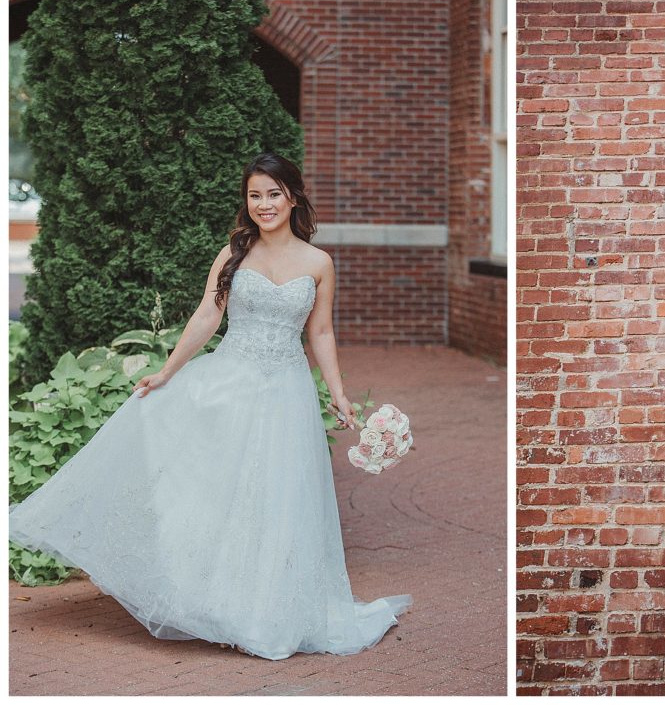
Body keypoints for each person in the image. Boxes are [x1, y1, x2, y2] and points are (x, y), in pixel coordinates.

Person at [9, 153, 411, 660]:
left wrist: (338, 392)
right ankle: (210, 600)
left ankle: (266, 609)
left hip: (285, 392)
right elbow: (206, 317)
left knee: (275, 498)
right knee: (214, 492)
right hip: (228, 382)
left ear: (293, 195)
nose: (263, 204)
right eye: (254, 195)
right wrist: (168, 371)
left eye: (273, 193)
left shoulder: (318, 263)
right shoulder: (233, 254)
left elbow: (322, 332)